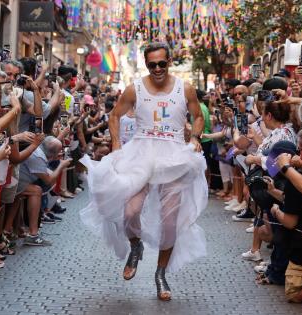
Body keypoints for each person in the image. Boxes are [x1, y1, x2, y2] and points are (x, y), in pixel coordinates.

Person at [80, 42, 208, 301]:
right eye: (152, 64)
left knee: (171, 222)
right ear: (146, 65)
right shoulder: (134, 88)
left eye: (162, 63)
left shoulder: (186, 88)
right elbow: (114, 116)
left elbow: (198, 116)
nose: (158, 68)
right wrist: (116, 145)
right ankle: (135, 246)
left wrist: (195, 137)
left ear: (169, 61)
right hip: (141, 156)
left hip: (174, 158)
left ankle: (160, 274)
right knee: (130, 211)